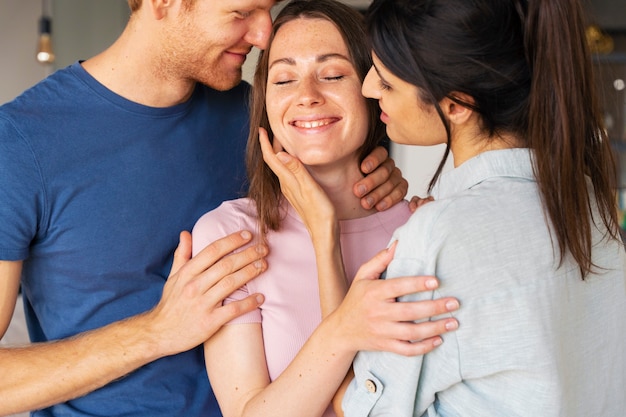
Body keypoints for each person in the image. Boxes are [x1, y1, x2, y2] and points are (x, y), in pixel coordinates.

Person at [0, 0, 441, 416]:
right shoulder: (21, 144)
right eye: (241, 12)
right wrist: (156, 332)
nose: (264, 34)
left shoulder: (258, 115)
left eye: (267, 10)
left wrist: (377, 180)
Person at [329, 0, 625, 415]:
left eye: (388, 83)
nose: (367, 88)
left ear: (456, 105)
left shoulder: (438, 236)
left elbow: (363, 409)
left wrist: (322, 231)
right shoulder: (592, 204)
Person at [192, 2, 460, 416]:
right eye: (284, 79)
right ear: (265, 102)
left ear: (374, 91)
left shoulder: (424, 229)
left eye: (333, 75)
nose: (307, 97)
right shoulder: (230, 236)